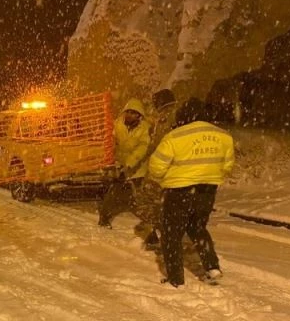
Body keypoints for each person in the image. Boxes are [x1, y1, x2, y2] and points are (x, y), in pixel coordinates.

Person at [148, 97, 235, 287]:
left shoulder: (175, 137)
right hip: (207, 191)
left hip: (178, 192)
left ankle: (175, 279)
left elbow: (155, 166)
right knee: (198, 228)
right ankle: (212, 266)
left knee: (172, 234)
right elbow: (227, 166)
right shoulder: (224, 136)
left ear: (183, 115)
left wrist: (163, 179)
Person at [135, 88, 181, 250]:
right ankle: (161, 232)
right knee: (163, 203)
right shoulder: (177, 115)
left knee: (145, 200)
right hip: (177, 168)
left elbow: (159, 145)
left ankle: (160, 234)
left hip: (165, 169)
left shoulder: (166, 118)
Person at [98, 98, 152, 228]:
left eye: (133, 113)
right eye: (128, 112)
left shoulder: (145, 128)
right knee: (113, 193)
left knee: (139, 197)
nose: (129, 115)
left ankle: (148, 222)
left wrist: (129, 163)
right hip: (120, 167)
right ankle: (104, 218)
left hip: (137, 168)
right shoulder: (118, 124)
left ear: (139, 115)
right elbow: (111, 141)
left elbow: (143, 147)